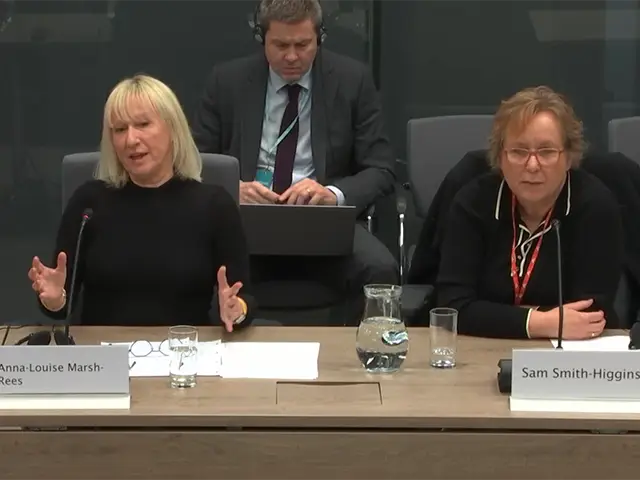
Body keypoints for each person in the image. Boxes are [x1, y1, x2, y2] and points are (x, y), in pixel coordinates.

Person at [191, 0, 398, 323]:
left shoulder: (352, 80)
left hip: (322, 219)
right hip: (244, 219)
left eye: (302, 45)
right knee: (190, 261)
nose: (291, 56)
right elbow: (193, 163)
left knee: (380, 268)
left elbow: (381, 168)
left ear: (320, 38)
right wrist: (232, 189)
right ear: (261, 38)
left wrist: (332, 194)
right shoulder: (227, 81)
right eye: (280, 45)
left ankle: (358, 348)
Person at [27, 74, 253, 331]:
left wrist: (236, 310)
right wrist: (55, 299)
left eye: (143, 124)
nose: (130, 140)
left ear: (173, 129)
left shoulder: (214, 205)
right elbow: (62, 303)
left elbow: (243, 297)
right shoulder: (88, 204)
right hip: (104, 351)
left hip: (184, 349)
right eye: (120, 129)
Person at [434, 86, 623, 339]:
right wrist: (540, 322)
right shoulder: (474, 202)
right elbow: (452, 306)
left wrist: (491, 315)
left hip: (567, 354)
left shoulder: (595, 206)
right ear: (500, 157)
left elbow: (590, 315)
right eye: (519, 151)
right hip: (480, 347)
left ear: (568, 158)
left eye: (546, 151)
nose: (532, 165)